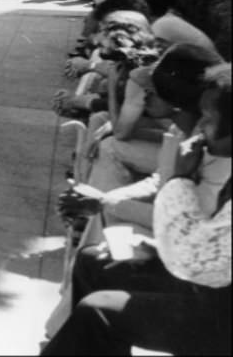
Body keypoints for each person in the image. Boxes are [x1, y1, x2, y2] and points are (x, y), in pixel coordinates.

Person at [44, 60, 231, 356]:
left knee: (98, 311)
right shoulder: (196, 143)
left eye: (208, 117)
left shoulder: (221, 166)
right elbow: (162, 183)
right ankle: (70, 337)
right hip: (198, 276)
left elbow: (198, 254)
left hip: (213, 305)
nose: (201, 126)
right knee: (93, 260)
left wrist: (178, 180)